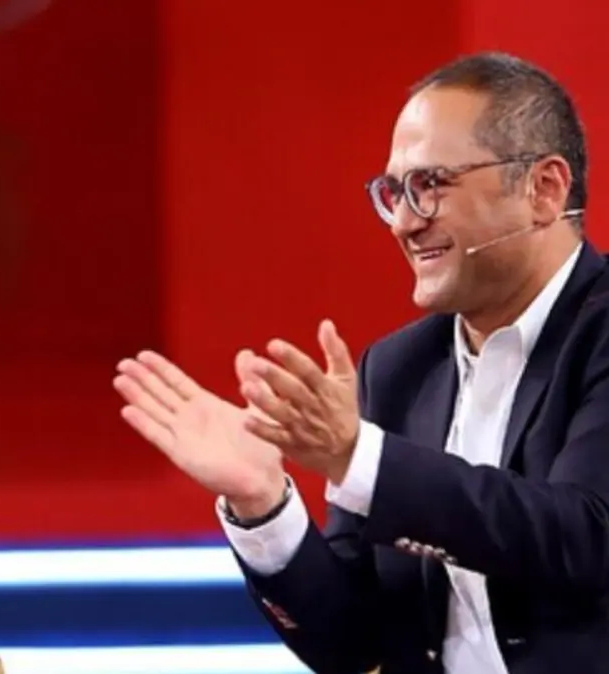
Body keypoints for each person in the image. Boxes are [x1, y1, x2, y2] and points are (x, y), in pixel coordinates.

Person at [114, 52, 609, 673]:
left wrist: (361, 458)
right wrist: (264, 504)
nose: (403, 223)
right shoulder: (400, 369)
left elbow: (586, 539)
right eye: (395, 192)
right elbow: (351, 645)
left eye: (431, 185)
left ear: (544, 189)